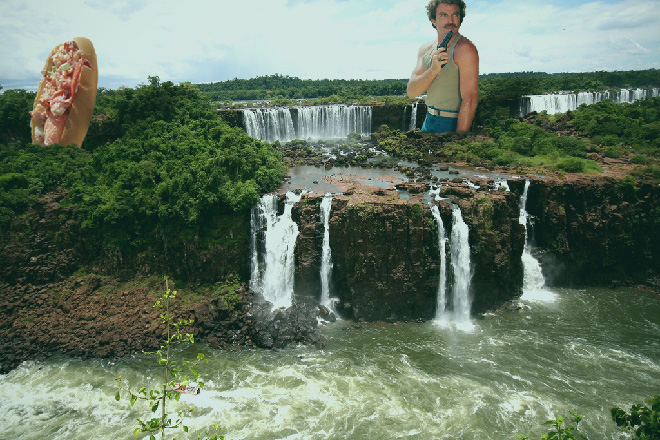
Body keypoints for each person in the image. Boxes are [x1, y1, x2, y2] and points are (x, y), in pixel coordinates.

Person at [407, 0, 479, 133]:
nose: (450, 20)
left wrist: (458, 141)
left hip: (451, 123)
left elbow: (470, 99)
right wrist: (433, 70)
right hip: (428, 120)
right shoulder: (425, 49)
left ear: (460, 18)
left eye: (455, 14)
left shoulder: (465, 49)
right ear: (433, 20)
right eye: (444, 15)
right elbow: (411, 92)